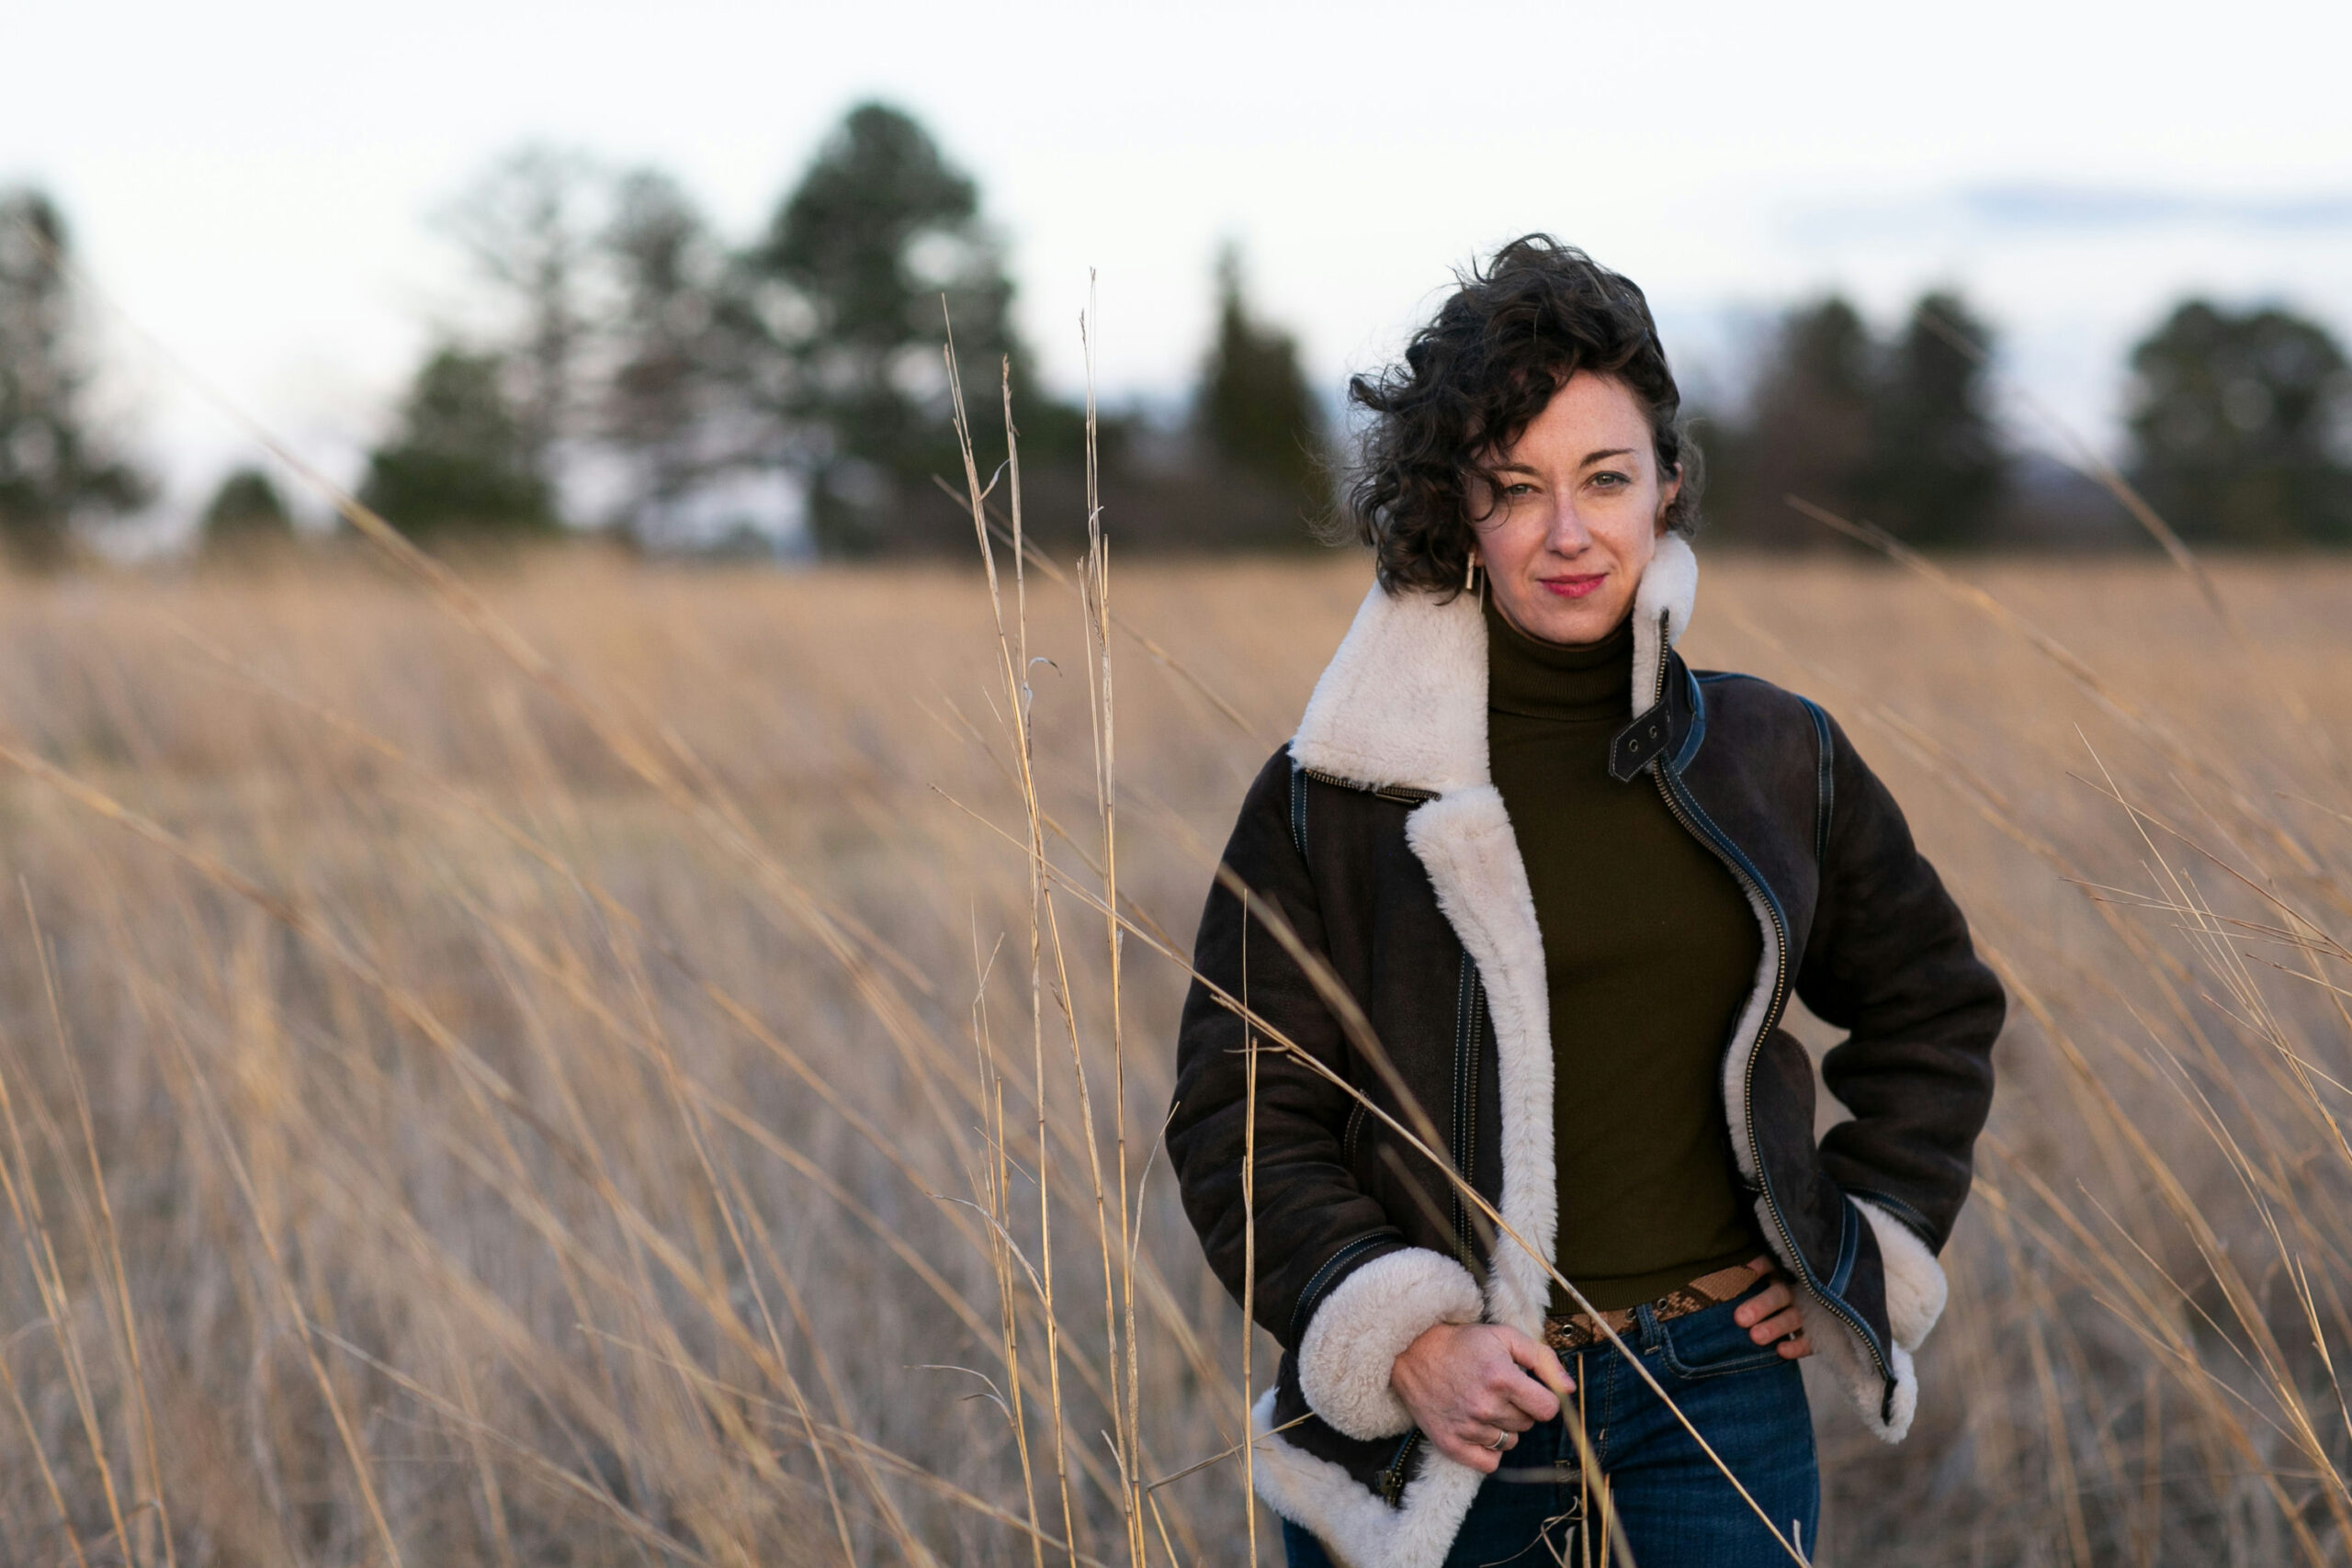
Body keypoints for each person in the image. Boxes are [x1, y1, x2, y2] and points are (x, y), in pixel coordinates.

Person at [1166, 237, 2003, 1568]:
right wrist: (1410, 1342)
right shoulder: (1340, 790)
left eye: (1606, 479)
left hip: (1718, 1392)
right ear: (1456, 512)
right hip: (1452, 1422)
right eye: (1517, 489)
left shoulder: (1773, 754)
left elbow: (1935, 1009)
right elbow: (1240, 1114)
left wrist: (1856, 1242)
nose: (1569, 533)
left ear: (1666, 486)